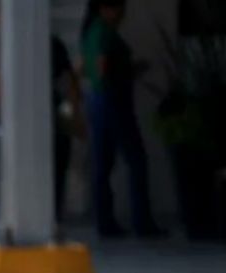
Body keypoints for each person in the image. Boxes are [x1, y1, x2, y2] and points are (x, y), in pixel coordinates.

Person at [0, 35, 87, 232]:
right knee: (55, 170)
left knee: (25, 169)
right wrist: (75, 118)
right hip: (48, 112)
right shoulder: (49, 43)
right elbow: (70, 83)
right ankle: (51, 218)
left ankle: (25, 218)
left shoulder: (13, 40)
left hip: (22, 113)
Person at [81, 0, 163, 238]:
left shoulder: (90, 32)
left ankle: (106, 222)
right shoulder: (104, 33)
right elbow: (102, 66)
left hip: (98, 99)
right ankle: (142, 222)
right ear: (106, 8)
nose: (121, 14)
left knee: (102, 164)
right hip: (113, 100)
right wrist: (126, 72)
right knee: (136, 160)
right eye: (119, 9)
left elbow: (87, 68)